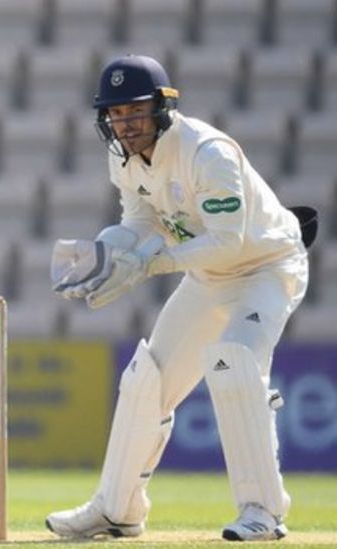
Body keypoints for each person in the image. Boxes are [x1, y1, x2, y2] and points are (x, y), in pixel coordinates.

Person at [47, 55, 314, 541]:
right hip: (207, 275)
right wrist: (108, 255)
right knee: (146, 377)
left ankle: (262, 512)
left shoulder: (207, 153)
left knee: (234, 362)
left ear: (162, 108)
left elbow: (227, 242)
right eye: (115, 114)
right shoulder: (122, 157)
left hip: (266, 267)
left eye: (134, 111)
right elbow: (140, 221)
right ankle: (117, 509)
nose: (124, 124)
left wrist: (149, 263)